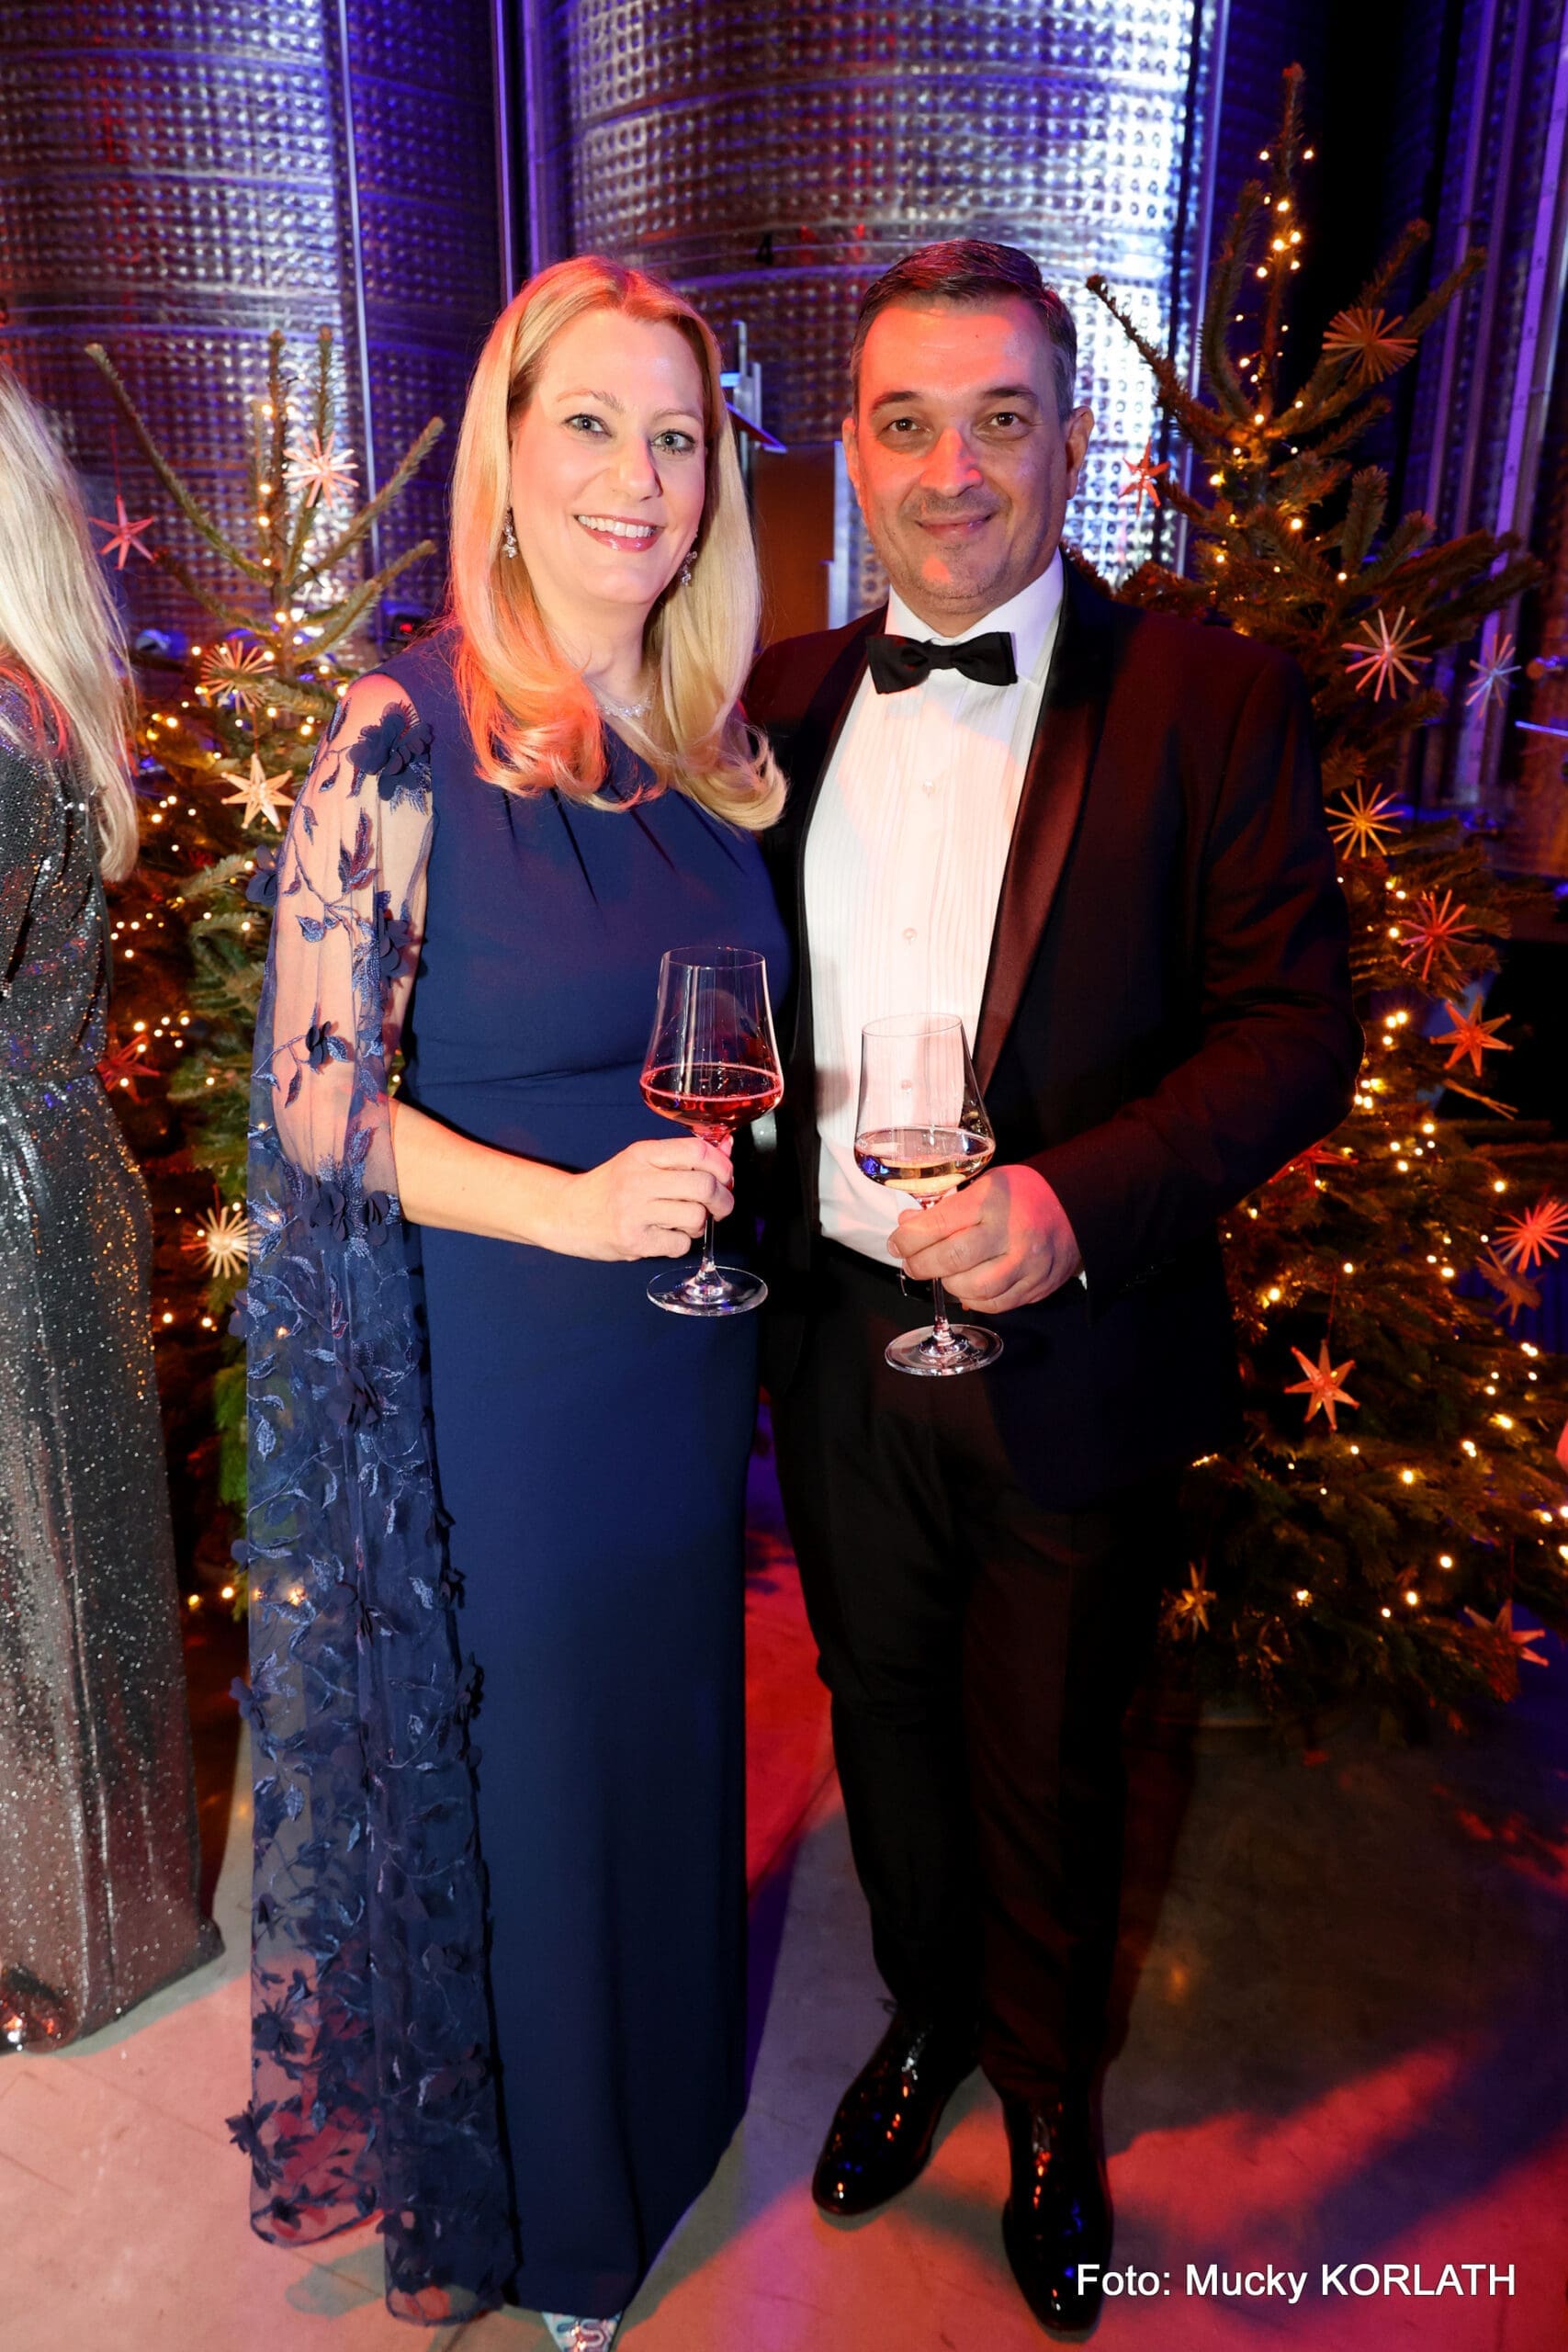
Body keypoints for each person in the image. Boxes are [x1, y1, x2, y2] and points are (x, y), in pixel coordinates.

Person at [744, 241, 1360, 2338]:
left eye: (999, 421)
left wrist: (1076, 1203)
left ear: (1070, 441)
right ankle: (924, 2018)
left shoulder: (1208, 697)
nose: (951, 471)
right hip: (837, 1339)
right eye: (907, 424)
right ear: (851, 448)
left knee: (1051, 1758)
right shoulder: (778, 701)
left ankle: (1043, 2101)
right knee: (888, 1725)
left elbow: (1294, 1032)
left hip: (1076, 1348)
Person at [234, 257, 786, 2347]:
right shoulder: (399, 730)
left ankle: (656, 2121)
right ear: (506, 455)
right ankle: (542, 2215)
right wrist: (570, 1211)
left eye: (675, 436)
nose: (636, 476)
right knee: (533, 1773)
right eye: (590, 425)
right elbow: (314, 1101)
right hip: (509, 1368)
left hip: (679, 1365)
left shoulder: (709, 752)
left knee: (658, 1739)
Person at [0, 367, 215, 2051]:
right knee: (73, 1570)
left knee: (45, 1585)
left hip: (13, 1193)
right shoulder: (33, 700)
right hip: (49, 1166)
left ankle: (61, 1950)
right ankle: (102, 1922)